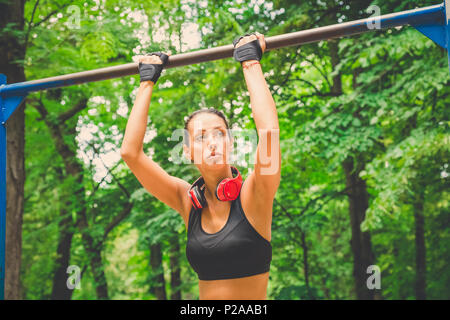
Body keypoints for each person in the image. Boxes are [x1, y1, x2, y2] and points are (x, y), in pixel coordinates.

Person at [120, 31, 281, 300]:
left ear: (230, 142)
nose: (213, 143)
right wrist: (147, 81)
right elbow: (130, 153)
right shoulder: (186, 201)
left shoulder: (256, 192)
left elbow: (269, 134)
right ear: (188, 152)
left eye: (219, 133)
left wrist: (250, 62)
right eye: (202, 137)